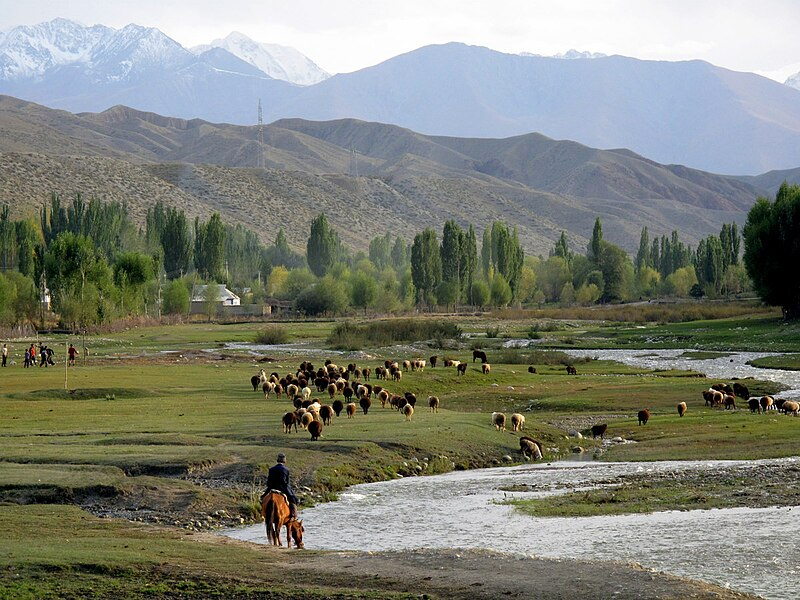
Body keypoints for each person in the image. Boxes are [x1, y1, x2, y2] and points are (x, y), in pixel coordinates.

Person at [265, 453, 299, 519]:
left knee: (263, 498)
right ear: (284, 460)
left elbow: (269, 481)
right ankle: (292, 515)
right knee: (294, 499)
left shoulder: (271, 469)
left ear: (277, 460)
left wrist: (269, 488)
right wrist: (290, 491)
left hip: (272, 488)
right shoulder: (286, 470)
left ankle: (262, 512)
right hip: (283, 488)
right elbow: (287, 483)